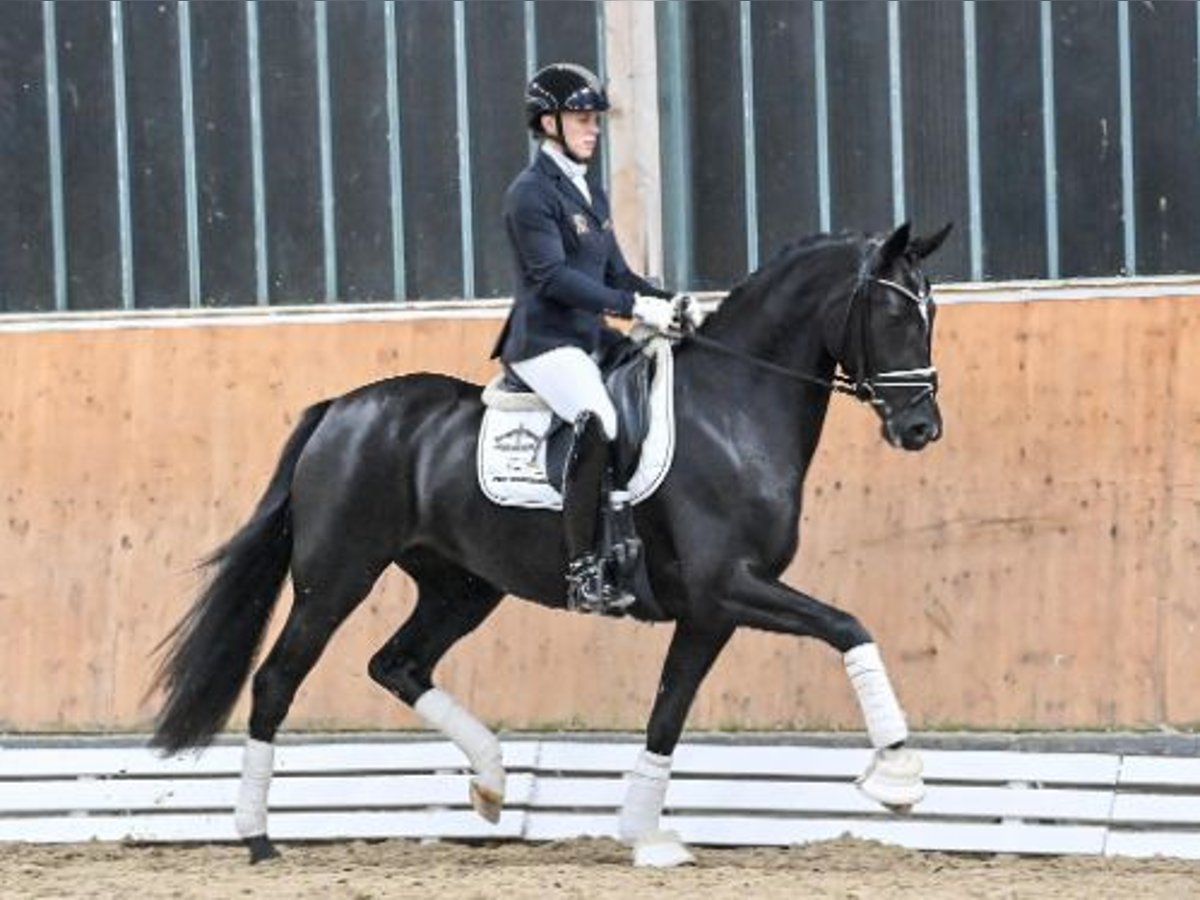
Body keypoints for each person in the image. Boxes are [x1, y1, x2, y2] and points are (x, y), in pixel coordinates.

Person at [491, 62, 694, 614]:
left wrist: (664, 300)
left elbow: (615, 276)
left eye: (595, 119)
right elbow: (553, 278)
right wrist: (633, 307)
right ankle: (583, 567)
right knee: (599, 419)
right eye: (582, 118)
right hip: (546, 343)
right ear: (549, 123)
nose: (593, 129)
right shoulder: (530, 194)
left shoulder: (589, 193)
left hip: (589, 337)